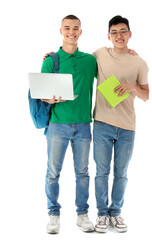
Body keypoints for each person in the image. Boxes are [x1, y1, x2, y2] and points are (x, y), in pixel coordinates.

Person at [92, 15, 149, 233]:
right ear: (109, 36)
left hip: (127, 126)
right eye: (114, 32)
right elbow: (77, 61)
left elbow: (146, 95)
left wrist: (131, 87)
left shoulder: (139, 62)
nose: (119, 35)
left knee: (121, 172)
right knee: (101, 172)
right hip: (102, 123)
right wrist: (53, 55)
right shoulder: (99, 54)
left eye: (123, 31)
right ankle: (102, 214)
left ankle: (115, 212)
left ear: (129, 34)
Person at [41, 15, 97, 234]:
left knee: (83, 172)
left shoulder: (90, 60)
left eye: (75, 28)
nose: (71, 32)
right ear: (61, 31)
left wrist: (129, 55)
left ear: (80, 32)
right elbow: (40, 94)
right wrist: (50, 99)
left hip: (83, 124)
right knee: (53, 172)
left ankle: (82, 214)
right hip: (57, 125)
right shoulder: (50, 60)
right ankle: (53, 215)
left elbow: (106, 78)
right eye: (67, 28)